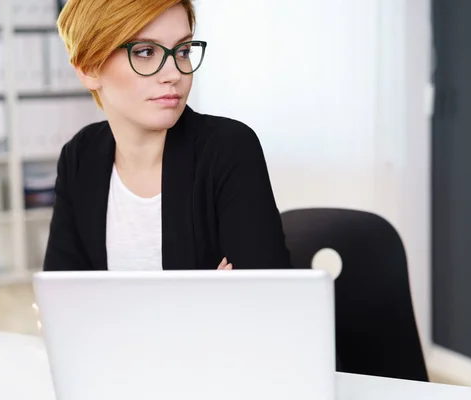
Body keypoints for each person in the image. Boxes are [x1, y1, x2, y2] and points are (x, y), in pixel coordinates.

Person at [43, 0, 292, 272]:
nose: (174, 73)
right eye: (146, 51)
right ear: (88, 68)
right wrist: (202, 296)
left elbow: (262, 299)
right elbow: (64, 298)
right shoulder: (80, 156)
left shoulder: (229, 148)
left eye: (182, 51)